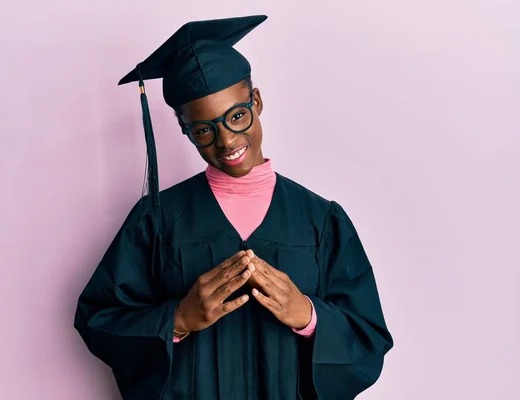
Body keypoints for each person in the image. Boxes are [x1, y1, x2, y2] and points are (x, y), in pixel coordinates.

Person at [74, 14, 393, 400]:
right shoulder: (157, 219)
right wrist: (176, 320)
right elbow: (99, 318)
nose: (226, 141)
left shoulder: (320, 220)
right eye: (204, 129)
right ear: (184, 128)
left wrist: (308, 316)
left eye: (237, 116)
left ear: (255, 102)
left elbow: (368, 336)